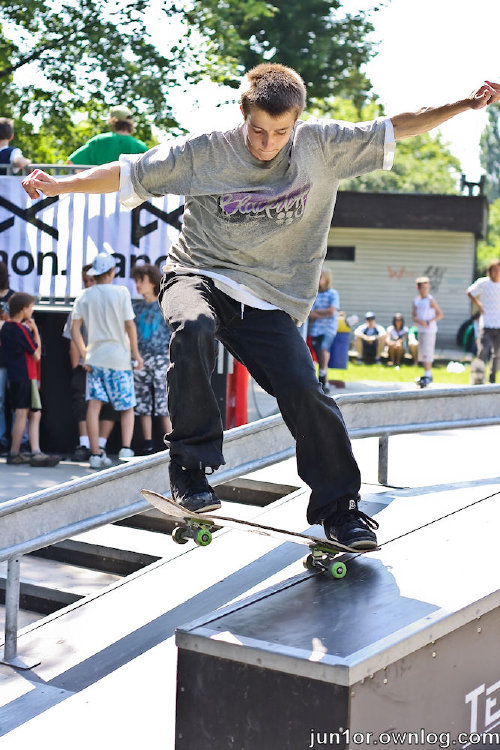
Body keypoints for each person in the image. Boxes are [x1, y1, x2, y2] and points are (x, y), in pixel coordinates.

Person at [20, 67, 500, 549]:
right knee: (193, 328)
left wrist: (463, 104)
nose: (267, 144)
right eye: (258, 131)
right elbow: (128, 172)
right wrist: (61, 187)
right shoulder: (204, 152)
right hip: (199, 274)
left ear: (297, 122)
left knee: (305, 391)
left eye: (280, 133)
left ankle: (340, 510)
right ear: (243, 113)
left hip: (271, 298)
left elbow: (399, 124)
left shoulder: (323, 144)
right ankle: (190, 469)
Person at [69, 252, 143, 468]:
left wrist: (84, 353)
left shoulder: (85, 295)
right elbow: (130, 325)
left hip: (95, 359)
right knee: (127, 406)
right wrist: (136, 354)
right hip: (119, 359)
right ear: (112, 272)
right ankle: (126, 449)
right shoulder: (121, 292)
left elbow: (74, 328)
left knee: (93, 406)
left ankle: (94, 454)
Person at [62, 263, 116, 461]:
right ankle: (85, 445)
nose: (88, 284)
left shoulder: (113, 301)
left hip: (110, 362)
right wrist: (79, 365)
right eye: (85, 280)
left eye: (91, 279)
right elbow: (73, 337)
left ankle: (100, 446)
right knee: (83, 403)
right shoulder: (81, 302)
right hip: (86, 364)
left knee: (110, 404)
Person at [0, 293, 59, 466]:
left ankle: (35, 451)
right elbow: (36, 354)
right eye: (31, 307)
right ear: (24, 309)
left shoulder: (6, 328)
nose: (32, 311)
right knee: (21, 414)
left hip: (16, 376)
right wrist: (35, 332)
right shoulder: (20, 329)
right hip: (26, 375)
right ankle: (15, 452)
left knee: (34, 413)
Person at [131, 263, 172, 454]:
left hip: (161, 357)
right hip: (140, 358)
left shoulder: (164, 304)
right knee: (143, 402)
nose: (138, 285)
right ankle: (147, 443)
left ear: (152, 281)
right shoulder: (134, 306)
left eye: (141, 281)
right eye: (136, 281)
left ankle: (171, 442)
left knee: (163, 402)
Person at [67, 105, 148, 166]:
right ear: (131, 123)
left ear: (112, 121)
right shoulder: (141, 147)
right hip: (130, 188)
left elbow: (71, 162)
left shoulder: (98, 141)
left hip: (100, 187)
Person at [466, 259, 500, 384]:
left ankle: (492, 379)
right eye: (494, 269)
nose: (496, 272)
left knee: (497, 354)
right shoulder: (483, 283)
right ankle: (478, 379)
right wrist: (479, 305)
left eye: (498, 269)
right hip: (486, 323)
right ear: (490, 271)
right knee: (482, 351)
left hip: (499, 324)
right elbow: (469, 292)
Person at [308, 269, 339, 394]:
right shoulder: (314, 295)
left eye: (320, 277)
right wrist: (321, 313)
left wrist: (317, 314)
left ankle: (322, 378)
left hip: (328, 329)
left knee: (323, 349)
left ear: (327, 279)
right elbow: (310, 314)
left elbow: (332, 311)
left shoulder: (332, 294)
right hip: (316, 330)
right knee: (317, 353)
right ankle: (320, 378)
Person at [412, 276, 443, 387]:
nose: (425, 290)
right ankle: (426, 373)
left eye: (426, 287)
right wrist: (419, 321)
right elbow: (414, 316)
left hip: (429, 330)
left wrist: (429, 321)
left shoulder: (430, 300)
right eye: (422, 287)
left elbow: (439, 314)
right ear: (418, 288)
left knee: (428, 351)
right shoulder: (416, 300)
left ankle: (428, 375)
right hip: (421, 329)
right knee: (422, 352)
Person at [0, 261, 16, 453]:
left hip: (14, 355)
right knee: (0, 400)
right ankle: (2, 438)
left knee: (19, 400)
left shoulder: (14, 298)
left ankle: (20, 439)